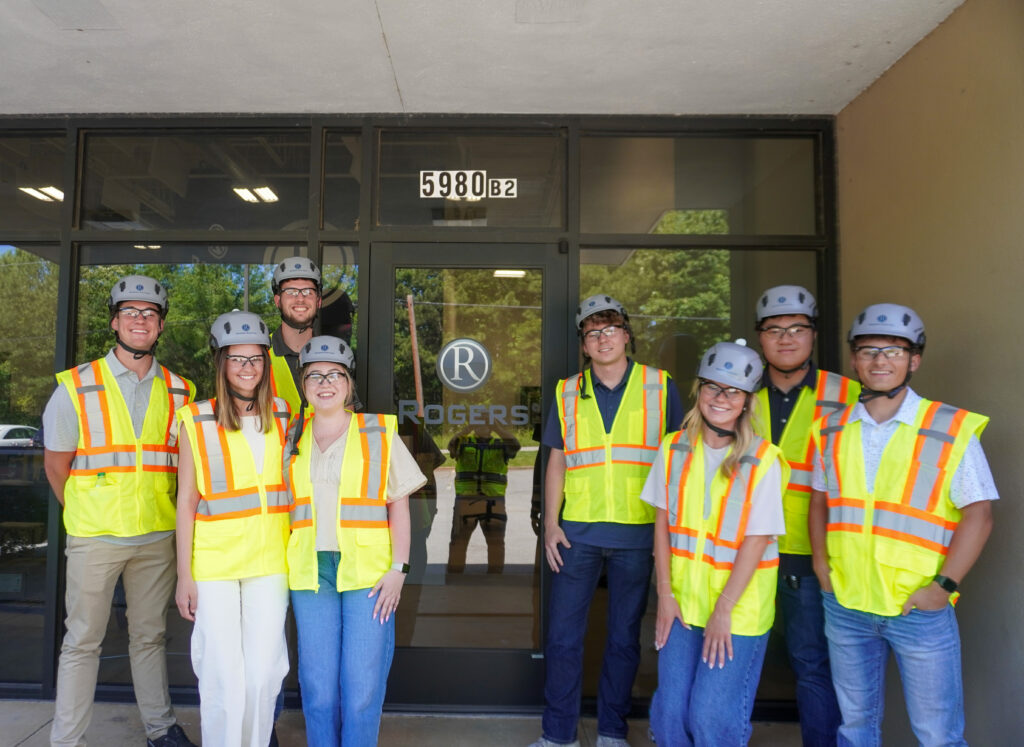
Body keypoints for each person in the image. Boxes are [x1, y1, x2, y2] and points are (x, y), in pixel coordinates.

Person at [809, 304, 996, 746]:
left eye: (893, 350)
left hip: (918, 608)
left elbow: (980, 514)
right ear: (854, 360)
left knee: (937, 735)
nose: (880, 360)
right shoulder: (830, 429)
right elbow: (819, 502)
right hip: (847, 603)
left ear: (914, 360)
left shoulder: (949, 427)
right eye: (868, 350)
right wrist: (821, 567)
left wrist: (943, 588)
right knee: (855, 728)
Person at [43, 275, 197, 747]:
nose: (140, 320)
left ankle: (160, 729)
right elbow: (56, 466)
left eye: (150, 314)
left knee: (149, 638)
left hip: (156, 537)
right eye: (130, 312)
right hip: (96, 537)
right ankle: (67, 740)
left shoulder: (181, 391)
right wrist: (86, 512)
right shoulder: (76, 386)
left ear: (161, 326)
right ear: (114, 322)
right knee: (82, 641)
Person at [533, 294, 684, 747]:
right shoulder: (566, 391)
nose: (603, 339)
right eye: (593, 333)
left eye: (611, 329)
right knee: (562, 639)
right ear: (583, 344)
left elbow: (680, 461)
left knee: (623, 639)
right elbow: (556, 460)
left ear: (627, 335)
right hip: (576, 533)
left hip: (638, 534)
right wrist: (552, 524)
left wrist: (670, 531)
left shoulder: (660, 386)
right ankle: (558, 735)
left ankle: (612, 732)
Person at [644, 341, 787, 746]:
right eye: (712, 387)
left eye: (733, 391)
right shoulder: (673, 447)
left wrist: (723, 611)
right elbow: (662, 524)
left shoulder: (763, 459)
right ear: (699, 391)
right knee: (670, 714)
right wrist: (664, 595)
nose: (721, 398)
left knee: (710, 718)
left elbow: (757, 540)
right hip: (683, 605)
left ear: (747, 402)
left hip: (737, 612)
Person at [285, 336, 424, 746]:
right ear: (304, 385)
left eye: (335, 375)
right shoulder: (289, 437)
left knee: (362, 687)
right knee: (317, 687)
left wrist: (399, 569)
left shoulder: (378, 432)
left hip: (369, 575)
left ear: (349, 384)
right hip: (311, 572)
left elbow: (399, 506)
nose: (325, 383)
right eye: (315, 376)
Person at [174, 311, 291, 747]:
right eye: (237, 359)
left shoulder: (284, 415)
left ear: (265, 363)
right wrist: (184, 575)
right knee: (223, 675)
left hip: (271, 561)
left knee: (263, 674)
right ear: (221, 363)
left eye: (255, 358)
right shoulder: (195, 419)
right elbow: (186, 501)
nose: (247, 367)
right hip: (215, 565)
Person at [752, 284, 859, 746]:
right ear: (760, 337)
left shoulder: (849, 394)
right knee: (731, 657)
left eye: (797, 328)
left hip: (812, 554)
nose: (786, 338)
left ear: (814, 334)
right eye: (774, 329)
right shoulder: (738, 391)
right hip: (743, 550)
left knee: (812, 664)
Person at [446, 422, 521, 573]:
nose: (483, 425)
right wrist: (467, 429)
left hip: (493, 501)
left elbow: (516, 446)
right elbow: (451, 446)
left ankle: (495, 577)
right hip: (466, 501)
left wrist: (497, 428)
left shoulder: (501, 444)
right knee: (458, 542)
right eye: (479, 422)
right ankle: (455, 576)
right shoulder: (464, 442)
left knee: (496, 544)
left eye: (487, 423)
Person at [269, 255, 322, 414]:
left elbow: (347, 415)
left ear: (318, 301)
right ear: (277, 301)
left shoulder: (335, 355)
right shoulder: (258, 355)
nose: (300, 298)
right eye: (291, 291)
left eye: (308, 291)